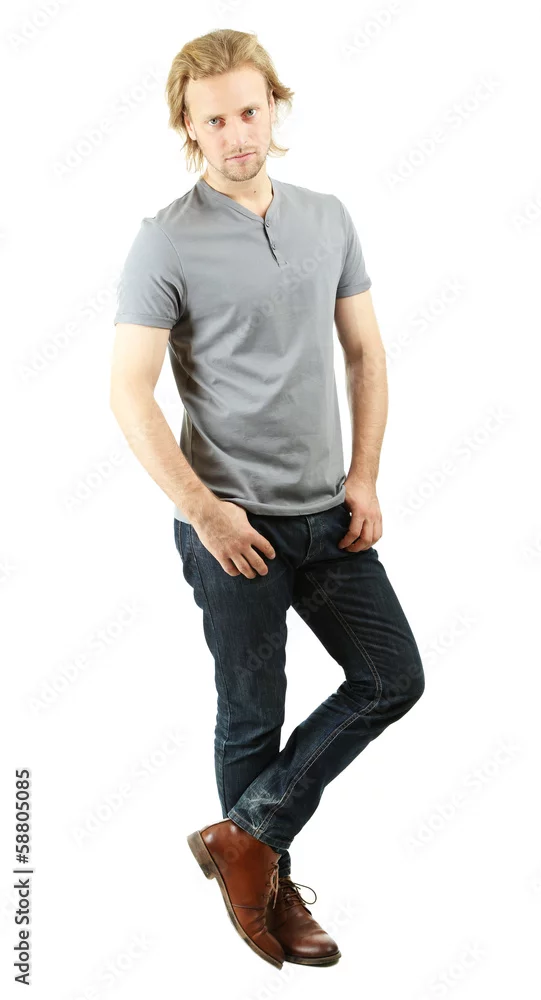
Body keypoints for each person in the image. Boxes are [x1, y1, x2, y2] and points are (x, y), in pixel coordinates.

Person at [110, 28, 425, 971]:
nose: (237, 133)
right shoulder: (165, 238)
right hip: (232, 526)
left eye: (249, 111)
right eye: (214, 121)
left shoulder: (327, 217)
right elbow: (128, 393)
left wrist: (364, 475)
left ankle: (244, 839)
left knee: (392, 678)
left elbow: (364, 354)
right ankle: (266, 887)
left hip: (329, 516)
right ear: (188, 127)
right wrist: (205, 513)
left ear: (273, 106)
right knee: (251, 713)